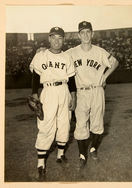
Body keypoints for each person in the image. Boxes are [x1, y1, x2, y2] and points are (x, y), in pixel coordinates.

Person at [66, 21, 119, 168]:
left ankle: (94, 148)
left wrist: (105, 77)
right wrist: (43, 50)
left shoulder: (99, 51)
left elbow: (114, 62)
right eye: (82, 32)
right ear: (78, 35)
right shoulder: (71, 52)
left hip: (97, 91)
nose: (85, 35)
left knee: (97, 124)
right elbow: (56, 57)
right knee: (81, 124)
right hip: (81, 92)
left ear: (92, 33)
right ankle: (82, 155)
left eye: (88, 32)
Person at [29, 26, 76, 180]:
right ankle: (41, 163)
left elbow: (72, 80)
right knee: (46, 125)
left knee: (65, 123)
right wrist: (35, 94)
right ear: (49, 38)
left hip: (64, 90)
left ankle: (60, 154)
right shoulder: (41, 55)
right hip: (48, 91)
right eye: (54, 37)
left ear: (63, 39)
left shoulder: (67, 57)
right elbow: (36, 76)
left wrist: (73, 97)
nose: (57, 41)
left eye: (60, 38)